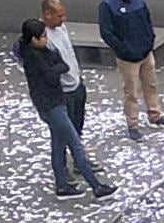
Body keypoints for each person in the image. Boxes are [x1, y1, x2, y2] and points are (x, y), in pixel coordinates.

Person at [18, 15, 114, 197]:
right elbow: (53, 74)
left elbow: (62, 65)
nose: (47, 39)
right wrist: (56, 68)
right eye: (44, 36)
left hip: (55, 101)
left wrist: (56, 68)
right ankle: (96, 186)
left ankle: (62, 184)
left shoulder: (43, 51)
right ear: (34, 39)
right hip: (50, 105)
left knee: (58, 143)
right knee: (74, 144)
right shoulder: (34, 57)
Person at [98, 0, 164, 134]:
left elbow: (147, 18)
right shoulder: (108, 5)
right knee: (131, 92)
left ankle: (155, 114)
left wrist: (150, 39)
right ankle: (133, 124)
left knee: (151, 84)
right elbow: (107, 33)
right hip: (128, 58)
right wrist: (124, 50)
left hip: (145, 51)